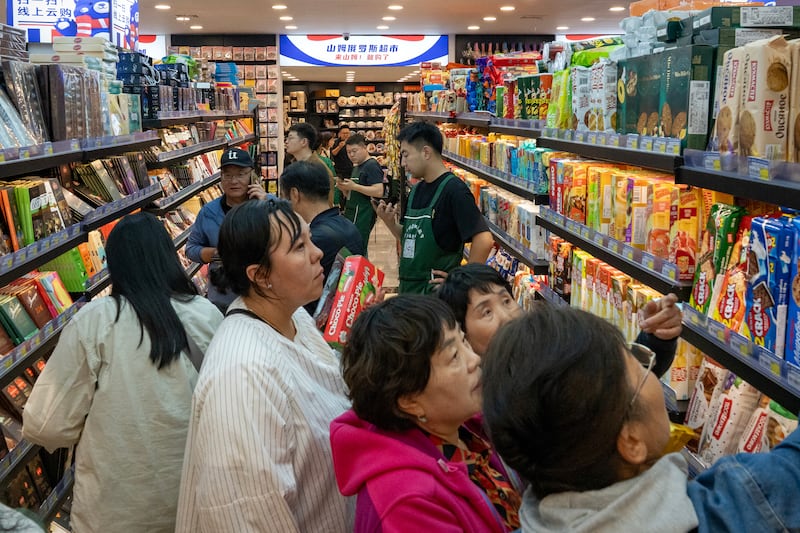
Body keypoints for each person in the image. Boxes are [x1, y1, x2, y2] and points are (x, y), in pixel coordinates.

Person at [481, 304, 800, 533]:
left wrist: (654, 346)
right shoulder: (739, 502)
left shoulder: (548, 479)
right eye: (639, 368)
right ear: (632, 442)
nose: (649, 370)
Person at [23, 212, 223, 533]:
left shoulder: (96, 321)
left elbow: (44, 425)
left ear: (114, 264)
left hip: (115, 509)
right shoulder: (206, 314)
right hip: (194, 504)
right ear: (167, 256)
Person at [175, 199, 353, 532]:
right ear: (260, 275)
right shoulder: (241, 377)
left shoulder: (294, 315)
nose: (317, 253)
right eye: (299, 247)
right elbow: (248, 514)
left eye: (310, 240)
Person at [331, 295, 522, 532]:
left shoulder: (463, 431)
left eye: (464, 341)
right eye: (454, 356)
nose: (474, 360)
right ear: (409, 401)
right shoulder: (406, 503)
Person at [437, 263, 682, 369]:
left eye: (506, 301)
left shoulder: (553, 356)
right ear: (462, 334)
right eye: (486, 312)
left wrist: (656, 337)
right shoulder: (471, 402)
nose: (506, 316)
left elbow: (623, 381)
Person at [376, 121, 494, 294]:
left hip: (436, 300)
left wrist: (464, 283)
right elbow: (412, 237)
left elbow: (484, 240)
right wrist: (390, 223)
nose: (402, 163)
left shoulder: (454, 190)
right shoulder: (416, 190)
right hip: (410, 291)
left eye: (405, 154)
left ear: (426, 152)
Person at [185, 147, 267, 313]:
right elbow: (191, 249)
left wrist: (264, 206)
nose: (233, 181)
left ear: (252, 175)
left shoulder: (269, 204)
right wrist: (218, 253)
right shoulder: (209, 211)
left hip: (264, 296)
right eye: (227, 175)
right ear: (221, 178)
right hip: (224, 299)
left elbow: (290, 240)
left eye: (241, 174)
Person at [280, 161, 365, 315]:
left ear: (294, 194)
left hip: (319, 329)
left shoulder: (313, 240)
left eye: (283, 196)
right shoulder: (348, 225)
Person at [337, 134, 385, 254]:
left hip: (364, 214)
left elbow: (379, 191)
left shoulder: (372, 165)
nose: (351, 155)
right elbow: (352, 194)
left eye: (354, 151)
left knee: (358, 249)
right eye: (348, 152)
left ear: (364, 148)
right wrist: (344, 189)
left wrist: (354, 186)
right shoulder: (357, 166)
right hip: (352, 213)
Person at [285, 123, 336, 206]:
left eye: (291, 138)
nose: (286, 141)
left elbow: (325, 205)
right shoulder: (294, 164)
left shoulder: (319, 169)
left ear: (304, 142)